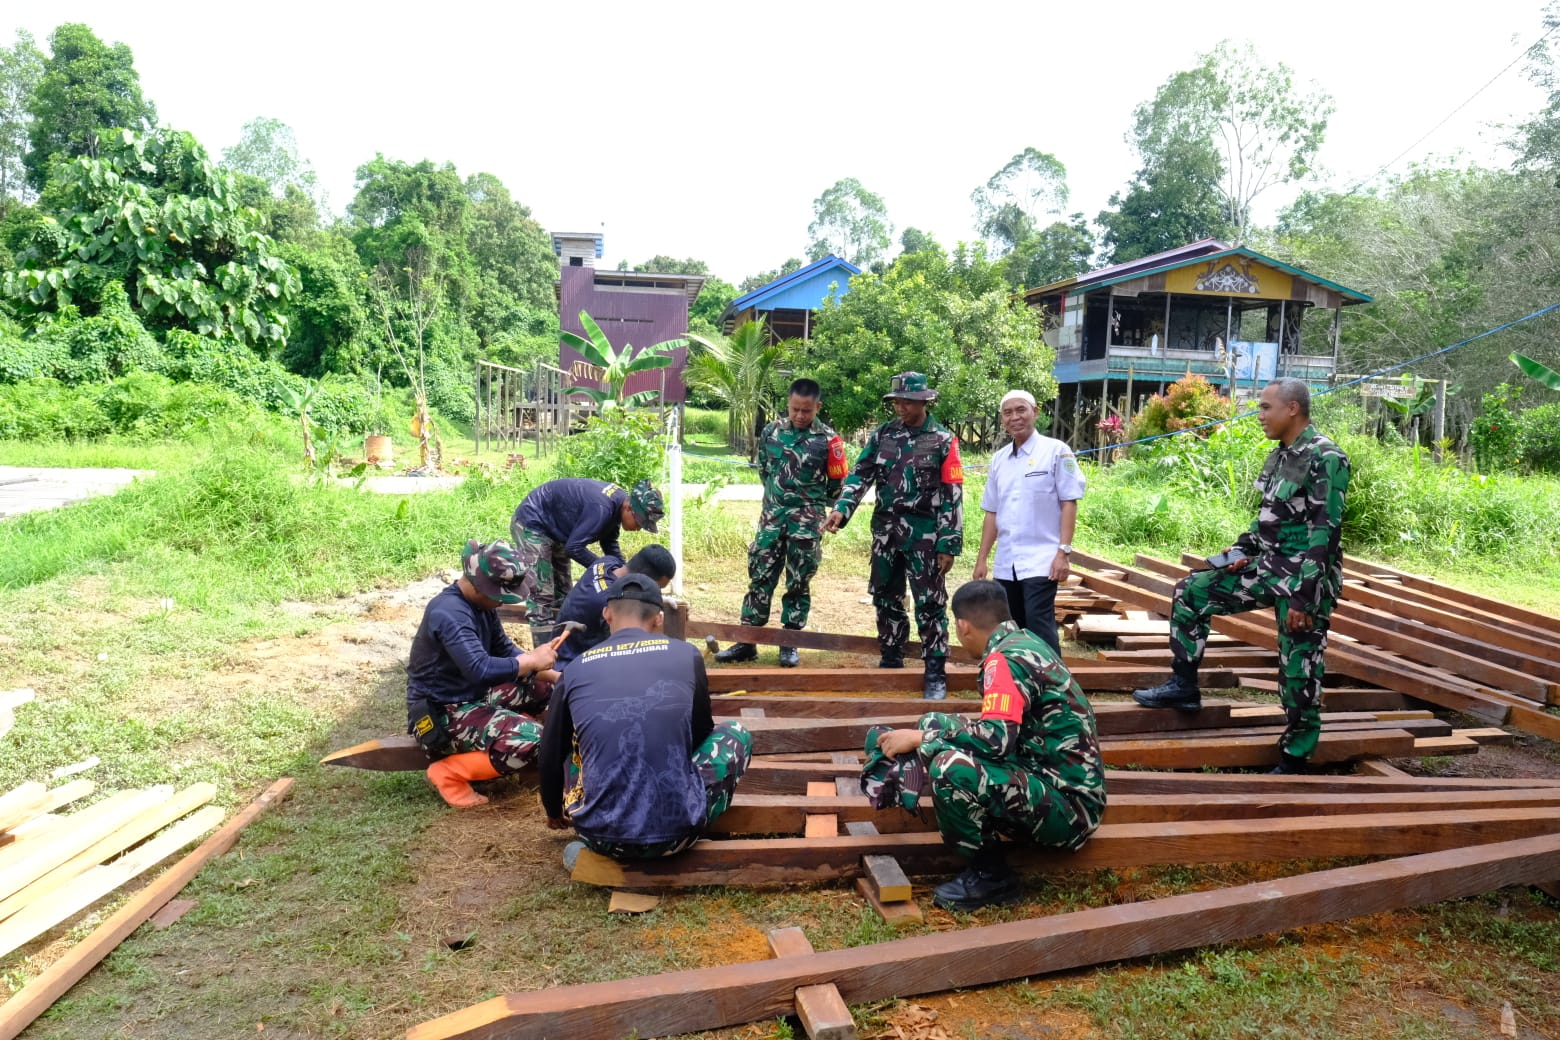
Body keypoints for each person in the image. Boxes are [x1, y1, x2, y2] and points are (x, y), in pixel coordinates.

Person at [1133, 377, 1351, 775]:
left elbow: (1326, 531)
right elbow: (1268, 518)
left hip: (1304, 577)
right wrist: (1240, 551)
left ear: (1292, 409)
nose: (1259, 415)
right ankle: (1184, 687)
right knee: (1191, 592)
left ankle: (1297, 756)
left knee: (1298, 666)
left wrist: (1304, 597)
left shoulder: (1326, 457)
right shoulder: (1282, 455)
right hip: (1268, 565)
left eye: (1266, 407)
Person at [869, 580, 1106, 911]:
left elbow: (996, 741)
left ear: (963, 626)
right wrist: (927, 732)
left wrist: (923, 741)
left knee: (949, 768)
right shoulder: (1023, 641)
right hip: (1054, 780)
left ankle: (991, 875)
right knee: (933, 721)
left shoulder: (1003, 662)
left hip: (1069, 810)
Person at [538, 573, 753, 862]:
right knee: (736, 732)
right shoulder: (687, 656)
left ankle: (595, 840)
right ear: (659, 619)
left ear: (606, 614)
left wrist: (553, 812)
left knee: (575, 741)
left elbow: (550, 754)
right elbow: (701, 733)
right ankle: (678, 812)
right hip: (678, 835)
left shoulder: (575, 670)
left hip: (600, 837)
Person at [823, 372, 963, 699]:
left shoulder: (943, 440)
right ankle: (891, 655)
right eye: (897, 401)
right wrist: (842, 508)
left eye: (907, 402)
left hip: (925, 535)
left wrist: (948, 543)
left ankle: (934, 670)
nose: (901, 407)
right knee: (885, 594)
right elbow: (860, 475)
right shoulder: (883, 435)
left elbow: (952, 494)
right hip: (886, 531)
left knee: (929, 602)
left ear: (925, 402)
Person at [404, 540, 559, 808]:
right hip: (442, 711)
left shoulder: (480, 607)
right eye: (500, 595)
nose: (501, 601)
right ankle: (449, 772)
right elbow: (480, 669)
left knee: (545, 690)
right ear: (479, 586)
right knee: (535, 739)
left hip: (472, 696)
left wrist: (553, 676)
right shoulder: (450, 614)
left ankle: (507, 740)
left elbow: (505, 650)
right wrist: (532, 660)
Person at [715, 378, 848, 668]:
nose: (800, 416)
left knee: (799, 581)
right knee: (760, 576)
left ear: (818, 407)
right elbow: (765, 470)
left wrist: (811, 507)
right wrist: (778, 503)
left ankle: (790, 642)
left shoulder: (829, 440)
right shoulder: (771, 432)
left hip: (806, 523)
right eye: (795, 410)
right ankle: (747, 641)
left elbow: (838, 486)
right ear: (787, 405)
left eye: (806, 411)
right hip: (772, 519)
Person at [971, 389, 1086, 656]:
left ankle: (1054, 688)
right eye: (1008, 412)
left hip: (1041, 560)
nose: (1015, 417)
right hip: (1006, 562)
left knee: (1040, 624)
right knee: (1010, 628)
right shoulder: (999, 459)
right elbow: (992, 512)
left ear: (1035, 412)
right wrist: (982, 559)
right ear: (1002, 419)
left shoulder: (1056, 451)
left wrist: (1063, 553)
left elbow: (1069, 502)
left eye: (1021, 410)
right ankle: (1020, 682)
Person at [508, 477, 665, 644]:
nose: (638, 528)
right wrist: (602, 570)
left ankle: (563, 646)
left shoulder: (617, 504)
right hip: (533, 522)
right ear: (628, 508)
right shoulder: (601, 508)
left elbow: (609, 542)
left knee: (563, 594)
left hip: (557, 529)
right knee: (542, 595)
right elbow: (574, 548)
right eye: (639, 522)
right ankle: (543, 660)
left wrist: (624, 576)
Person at [552, 544, 678, 670]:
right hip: (571, 669)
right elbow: (629, 648)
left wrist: (658, 600)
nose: (656, 592)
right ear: (642, 578)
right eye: (657, 588)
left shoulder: (607, 562)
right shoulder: (611, 603)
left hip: (562, 653)